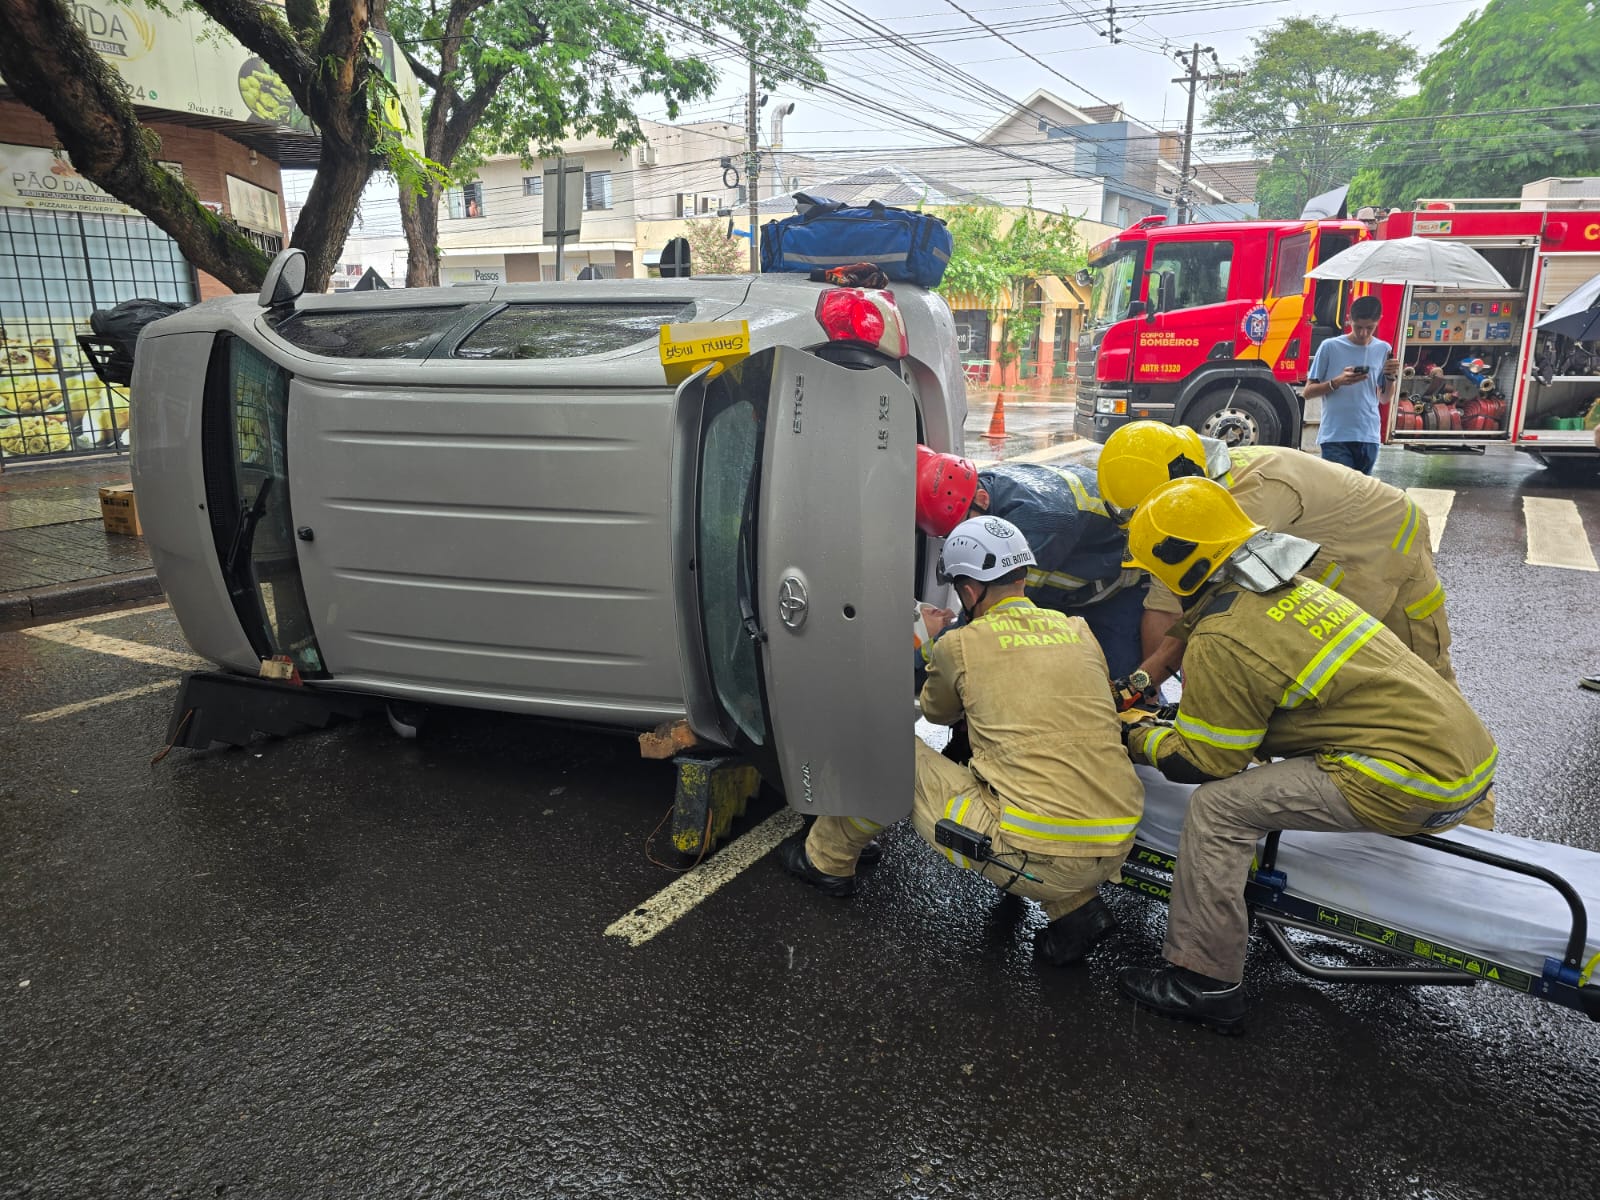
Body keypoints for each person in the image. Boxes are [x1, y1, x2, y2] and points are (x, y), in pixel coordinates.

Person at [1115, 478, 1498, 1034]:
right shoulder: (1288, 586)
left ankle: (1204, 981)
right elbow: (1260, 700)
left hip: (1410, 778)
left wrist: (1136, 733)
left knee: (1218, 810)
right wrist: (1160, 704)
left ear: (1177, 563)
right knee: (1246, 789)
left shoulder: (1226, 633)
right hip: (1466, 759)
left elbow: (1203, 763)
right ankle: (1228, 919)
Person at [779, 516, 1145, 965]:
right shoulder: (1079, 633)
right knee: (1045, 779)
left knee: (887, 742)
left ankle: (826, 860)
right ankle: (1076, 909)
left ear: (970, 591)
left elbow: (936, 712)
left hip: (1034, 854)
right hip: (1117, 843)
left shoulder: (963, 645)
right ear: (1022, 575)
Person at [1097, 420, 1460, 691]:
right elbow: (1163, 605)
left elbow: (1208, 617)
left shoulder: (1246, 495)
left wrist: (1152, 682)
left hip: (1390, 542)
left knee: (1420, 676)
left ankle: (1464, 787)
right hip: (1331, 555)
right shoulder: (1188, 499)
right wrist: (1149, 690)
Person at [916, 445, 1146, 677]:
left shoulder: (1035, 525)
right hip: (1076, 572)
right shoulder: (981, 489)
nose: (962, 538)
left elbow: (990, 620)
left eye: (962, 527)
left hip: (1117, 587)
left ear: (982, 499)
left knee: (1115, 682)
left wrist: (919, 663)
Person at [1303, 295, 1398, 476]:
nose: (1363, 333)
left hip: (1368, 435)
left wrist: (1391, 377)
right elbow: (1308, 392)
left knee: (1361, 496)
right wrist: (1337, 382)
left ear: (1379, 321)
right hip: (1336, 436)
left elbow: (1385, 398)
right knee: (1339, 494)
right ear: (1349, 319)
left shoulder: (1384, 349)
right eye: (1358, 327)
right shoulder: (1329, 347)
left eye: (1369, 328)